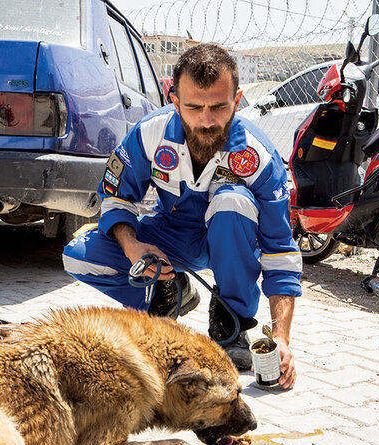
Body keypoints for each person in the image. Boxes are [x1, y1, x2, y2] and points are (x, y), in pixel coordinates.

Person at [62, 43, 301, 389]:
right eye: (193, 107)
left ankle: (231, 322)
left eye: (219, 107)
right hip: (172, 236)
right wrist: (132, 247)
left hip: (232, 240)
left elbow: (281, 252)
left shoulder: (259, 156)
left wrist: (282, 339)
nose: (206, 120)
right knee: (80, 257)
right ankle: (171, 288)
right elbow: (115, 198)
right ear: (174, 101)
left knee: (231, 201)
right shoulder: (149, 134)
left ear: (238, 100)